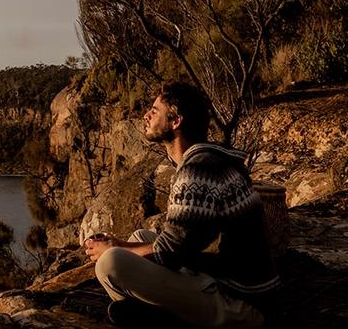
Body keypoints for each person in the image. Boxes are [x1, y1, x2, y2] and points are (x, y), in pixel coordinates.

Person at [83, 82, 279, 328]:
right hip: (226, 277)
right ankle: (158, 313)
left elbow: (169, 253)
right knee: (139, 236)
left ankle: (161, 317)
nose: (146, 116)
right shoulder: (207, 159)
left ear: (176, 122)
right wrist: (123, 244)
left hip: (241, 303)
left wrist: (114, 248)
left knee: (110, 263)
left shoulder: (197, 170)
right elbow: (184, 243)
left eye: (155, 111)